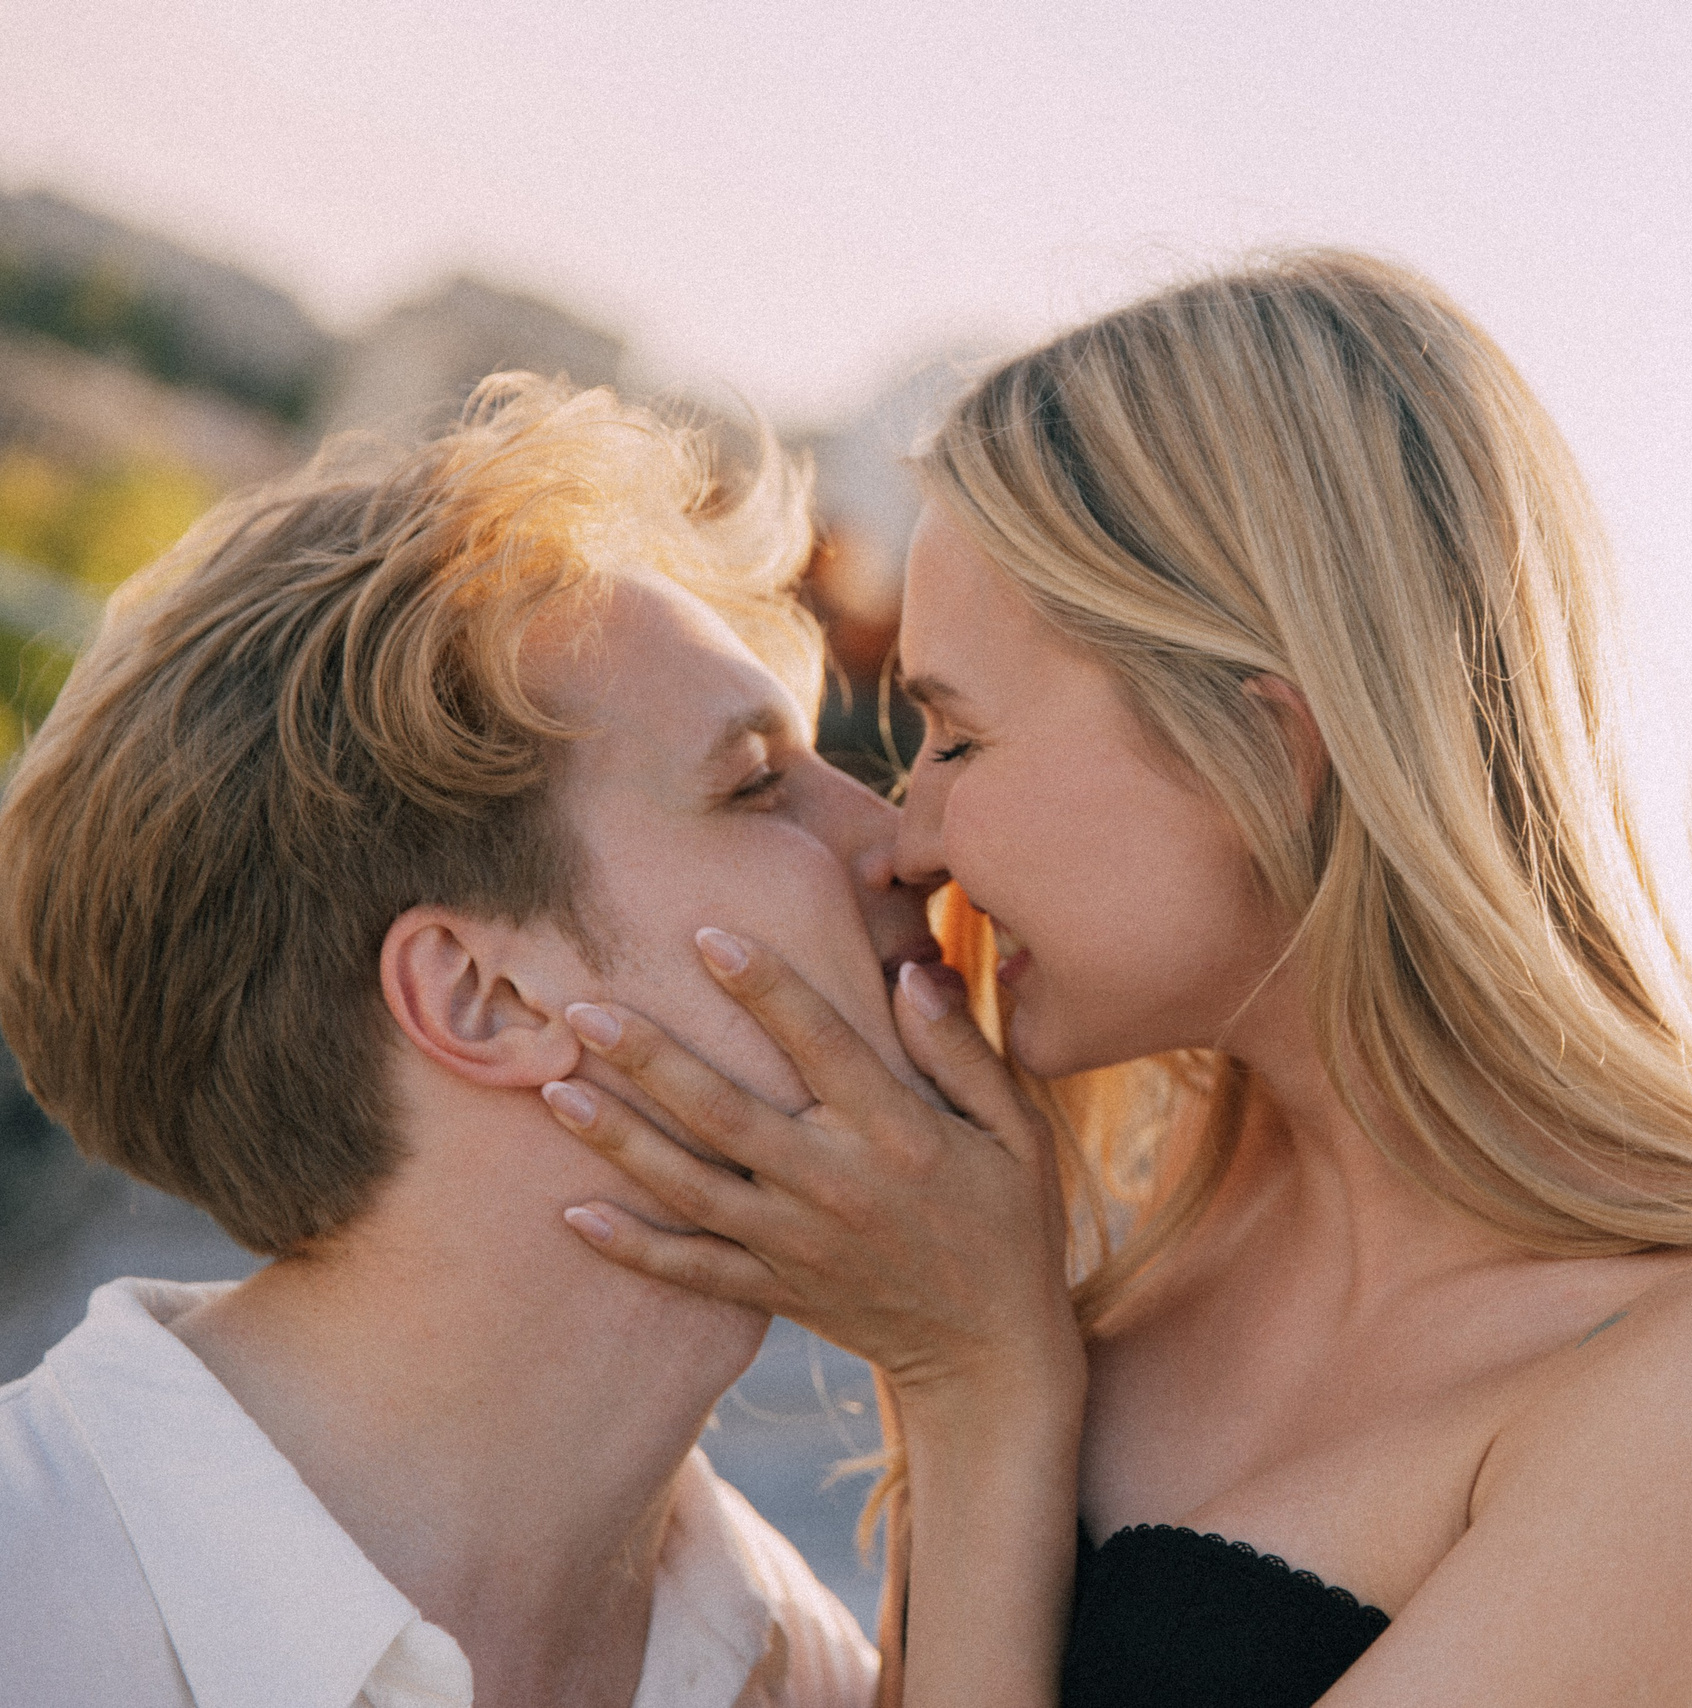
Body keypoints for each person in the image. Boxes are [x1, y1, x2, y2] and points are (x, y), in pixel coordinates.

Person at [546, 250, 1692, 1706]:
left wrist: (977, 1382)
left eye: (957, 740)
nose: (913, 841)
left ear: (1266, 755)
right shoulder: (1135, 1241)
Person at [0, 377, 1067, 1708]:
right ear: (483, 997)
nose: (907, 843)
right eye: (752, 784)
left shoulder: (781, 1658)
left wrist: (984, 1382)